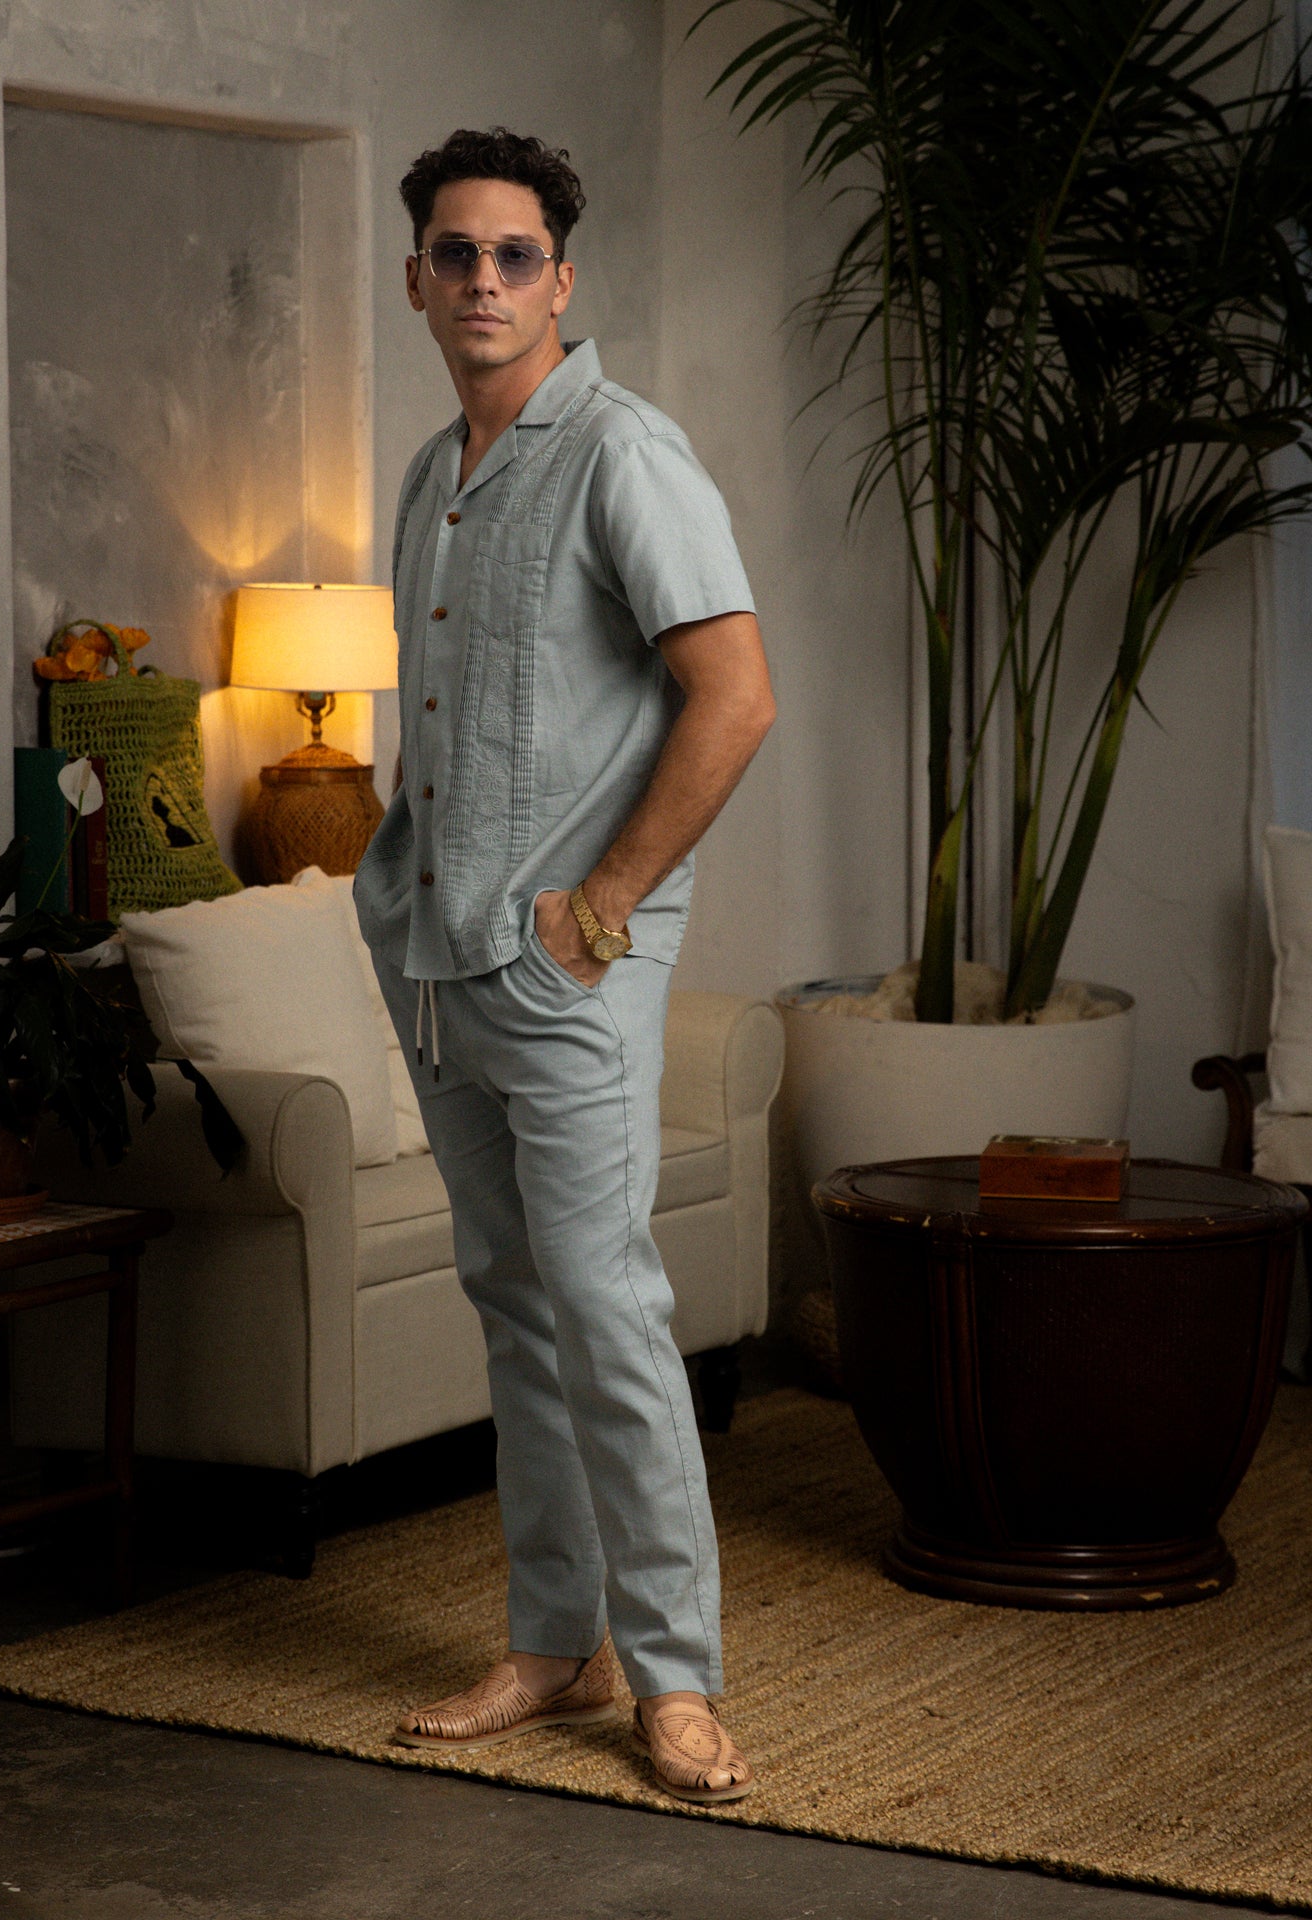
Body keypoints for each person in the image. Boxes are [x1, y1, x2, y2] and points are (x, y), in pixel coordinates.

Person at [352, 125, 775, 1805]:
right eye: (455, 253)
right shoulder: (431, 475)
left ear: (560, 280)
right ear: (416, 280)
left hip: (568, 966)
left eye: (513, 255)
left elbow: (735, 697)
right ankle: (553, 1641)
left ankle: (675, 1677)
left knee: (605, 1307)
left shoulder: (625, 454)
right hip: (436, 953)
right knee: (516, 1305)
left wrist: (602, 903)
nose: (484, 280)